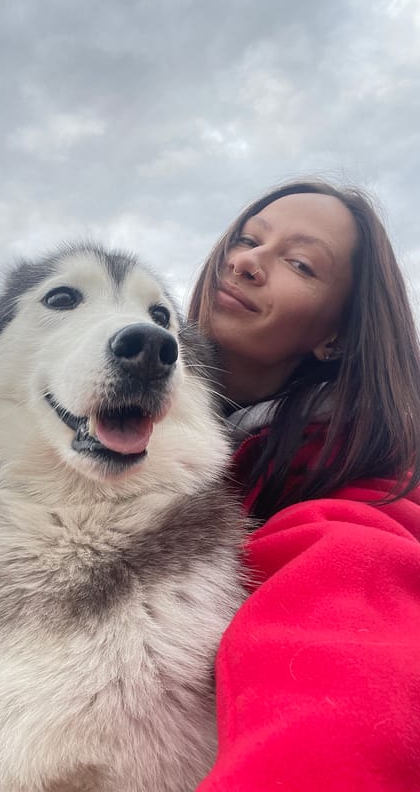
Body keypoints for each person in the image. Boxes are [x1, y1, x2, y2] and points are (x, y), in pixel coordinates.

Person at [187, 180, 420, 791]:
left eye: (299, 263)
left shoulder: (363, 479)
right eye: (247, 239)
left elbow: (348, 643)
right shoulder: (108, 424)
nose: (246, 262)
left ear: (334, 337)